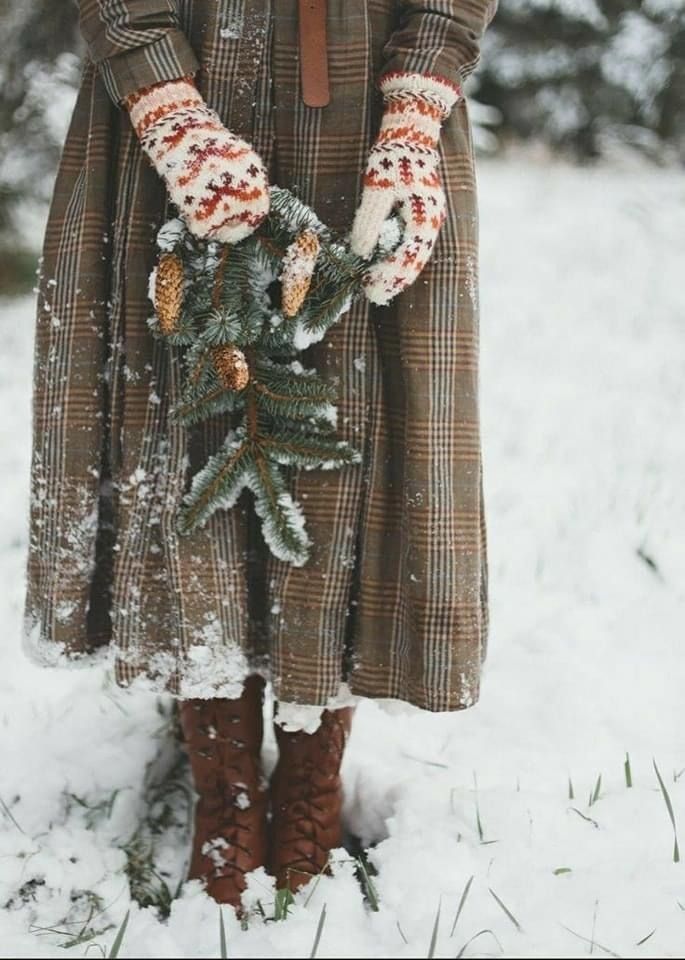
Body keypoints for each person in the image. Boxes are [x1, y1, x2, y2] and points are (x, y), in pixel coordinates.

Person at [24, 0, 497, 908]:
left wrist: (419, 94)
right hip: (186, 73)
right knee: (186, 425)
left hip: (370, 99)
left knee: (349, 437)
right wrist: (159, 89)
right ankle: (224, 789)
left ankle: (310, 782)